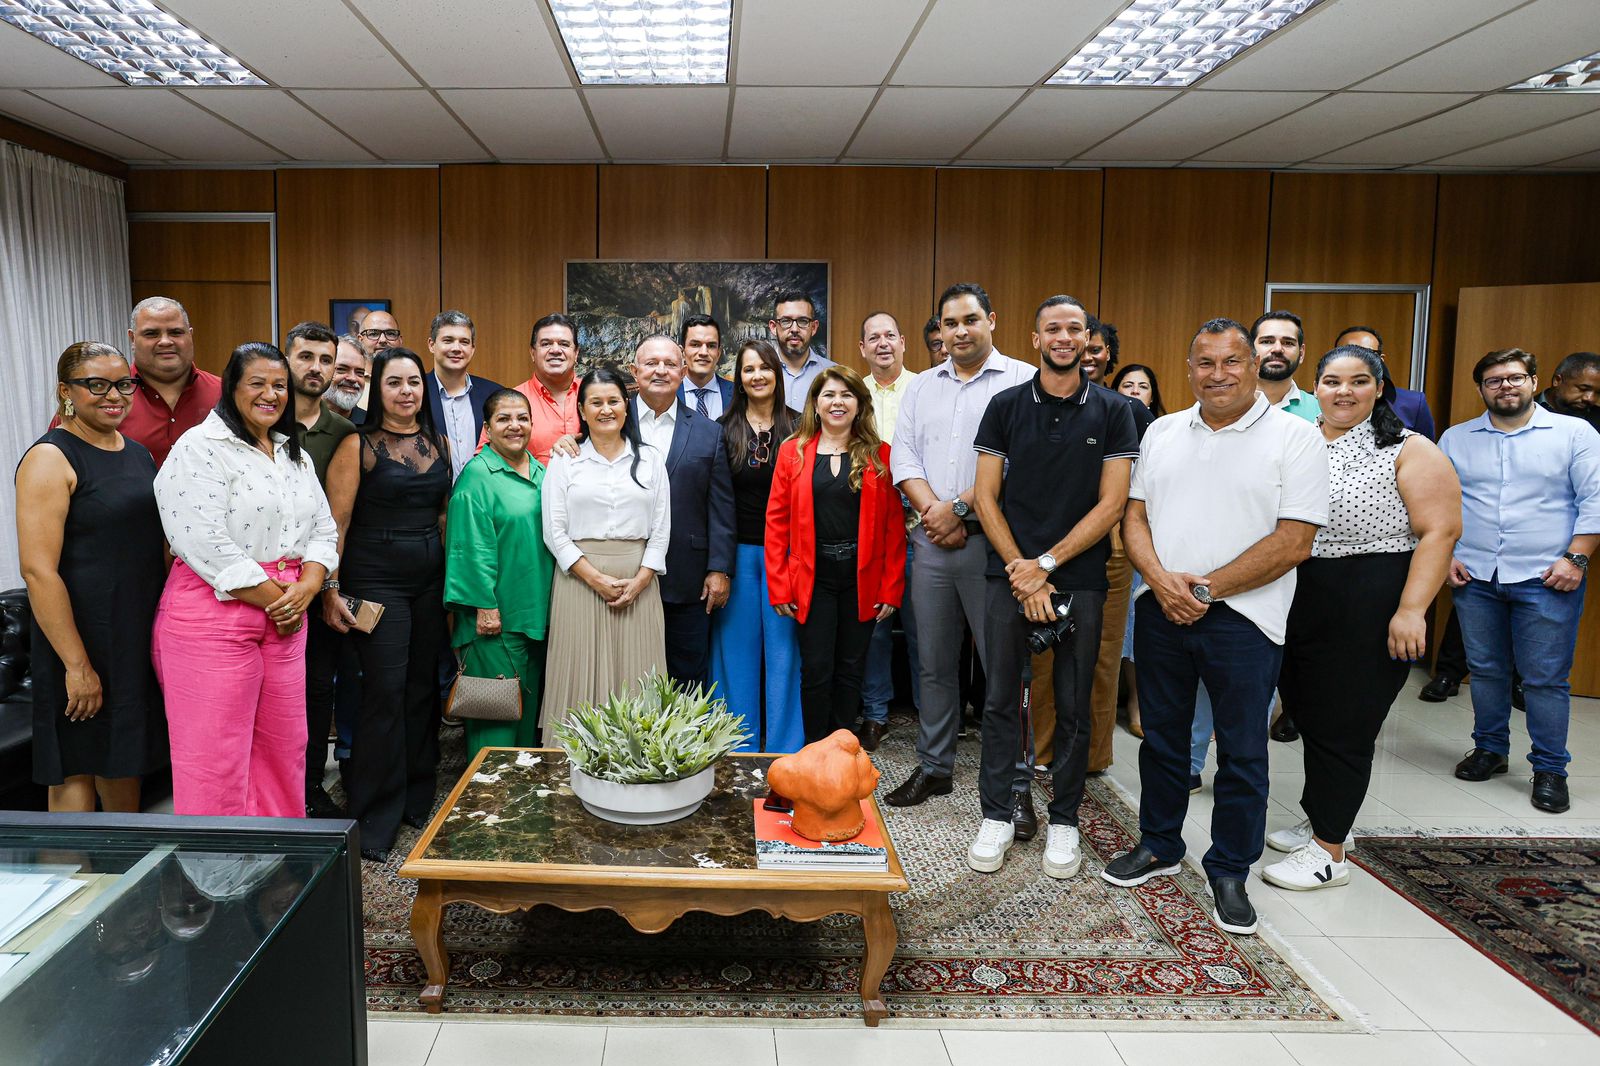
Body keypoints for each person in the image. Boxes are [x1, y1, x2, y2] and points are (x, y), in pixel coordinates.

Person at [1103, 318, 1328, 937]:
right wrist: (1164, 583)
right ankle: (1159, 844)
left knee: (1242, 750)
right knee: (1165, 739)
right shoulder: (1165, 432)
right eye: (1205, 363)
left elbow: (1295, 540)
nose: (1219, 374)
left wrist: (1205, 589)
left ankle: (1229, 867)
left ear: (1254, 365)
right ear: (1190, 368)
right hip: (1162, 609)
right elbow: (1135, 517)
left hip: (1246, 620)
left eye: (1232, 361)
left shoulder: (1296, 438)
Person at [1264, 345, 1460, 890]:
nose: (1343, 391)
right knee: (1308, 710)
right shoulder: (1298, 439)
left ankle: (1329, 852)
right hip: (1303, 589)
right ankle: (1327, 816)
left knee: (1346, 721)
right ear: (1316, 387)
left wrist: (1412, 609)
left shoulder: (1409, 448)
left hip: (1373, 591)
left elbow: (1440, 532)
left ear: (1379, 388)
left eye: (1357, 381)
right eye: (1331, 381)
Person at [967, 295, 1139, 877]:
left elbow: (1113, 502)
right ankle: (996, 813)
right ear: (1035, 338)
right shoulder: (1005, 405)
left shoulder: (1115, 410)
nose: (1064, 337)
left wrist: (1046, 563)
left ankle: (1063, 821)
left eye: (1075, 329)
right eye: (1052, 329)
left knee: (1074, 704)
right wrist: (1023, 569)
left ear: (1089, 340)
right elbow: (985, 496)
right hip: (1008, 574)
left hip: (1081, 577)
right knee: (998, 702)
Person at [152, 343, 338, 818]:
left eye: (279, 385)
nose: (270, 394)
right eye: (257, 383)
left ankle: (281, 863)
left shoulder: (291, 453)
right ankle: (218, 884)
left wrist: (310, 586)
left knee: (285, 747)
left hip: (285, 616)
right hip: (214, 615)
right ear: (232, 387)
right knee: (215, 759)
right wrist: (285, 599)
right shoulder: (198, 448)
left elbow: (323, 528)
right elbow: (202, 542)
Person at [885, 283, 1032, 810]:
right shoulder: (922, 385)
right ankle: (934, 767)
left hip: (993, 547)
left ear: (992, 319)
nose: (960, 331)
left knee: (1002, 665)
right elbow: (904, 458)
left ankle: (1015, 782)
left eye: (970, 320)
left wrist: (960, 510)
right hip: (931, 543)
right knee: (934, 662)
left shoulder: (1022, 380)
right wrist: (933, 513)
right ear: (939, 332)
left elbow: (1019, 460)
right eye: (950, 324)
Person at [1442, 348, 1600, 815]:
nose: (1505, 387)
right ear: (1482, 389)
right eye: (1494, 380)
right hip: (1475, 574)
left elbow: (1594, 499)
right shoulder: (1457, 438)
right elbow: (1439, 503)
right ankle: (1490, 750)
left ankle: (1550, 769)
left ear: (1535, 382)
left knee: (1545, 679)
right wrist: (1447, 555)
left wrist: (1577, 558)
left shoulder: (1575, 433)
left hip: (1548, 576)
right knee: (1486, 670)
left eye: (1514, 378)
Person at [17, 342, 166, 813]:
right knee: (76, 765)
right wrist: (77, 666)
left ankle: (123, 879)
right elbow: (38, 571)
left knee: (124, 761)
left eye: (123, 384)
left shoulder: (139, 454)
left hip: (131, 633)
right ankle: (71, 885)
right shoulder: (51, 457)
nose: (114, 396)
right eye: (96, 385)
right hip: (78, 637)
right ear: (66, 391)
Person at [322, 348, 451, 861]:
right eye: (394, 382)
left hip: (429, 579)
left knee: (422, 690)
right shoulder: (358, 443)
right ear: (378, 390)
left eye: (414, 382)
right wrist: (330, 588)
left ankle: (418, 794)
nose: (406, 391)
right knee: (384, 692)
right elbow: (337, 522)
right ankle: (375, 810)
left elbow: (443, 516)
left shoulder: (438, 442)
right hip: (376, 580)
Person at [767, 367, 906, 744]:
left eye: (847, 395)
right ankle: (814, 753)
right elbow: (776, 523)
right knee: (815, 670)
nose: (837, 402)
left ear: (860, 404)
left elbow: (894, 529)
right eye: (829, 394)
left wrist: (891, 589)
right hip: (812, 579)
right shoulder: (792, 452)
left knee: (851, 669)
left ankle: (841, 752)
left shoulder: (881, 455)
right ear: (816, 403)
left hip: (862, 578)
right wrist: (779, 587)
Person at [540, 366, 670, 743]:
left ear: (626, 407)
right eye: (595, 402)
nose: (605, 409)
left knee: (637, 680)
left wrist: (642, 579)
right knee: (579, 678)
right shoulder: (566, 459)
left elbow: (661, 530)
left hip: (638, 583)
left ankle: (640, 776)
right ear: (582, 410)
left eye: (613, 401)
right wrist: (595, 579)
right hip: (579, 582)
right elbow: (554, 531)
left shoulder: (650, 459)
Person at [444, 389, 554, 755]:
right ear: (487, 428)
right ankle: (484, 809)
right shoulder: (477, 477)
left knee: (527, 724)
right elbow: (467, 547)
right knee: (495, 728)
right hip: (494, 620)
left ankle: (521, 809)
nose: (515, 425)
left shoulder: (542, 472)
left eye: (522, 417)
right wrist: (483, 606)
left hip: (536, 618)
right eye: (504, 419)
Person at [710, 340, 803, 752]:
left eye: (765, 367)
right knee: (735, 656)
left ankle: (785, 747)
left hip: (788, 556)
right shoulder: (720, 428)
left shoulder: (802, 428)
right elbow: (715, 500)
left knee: (785, 654)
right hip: (739, 555)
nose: (758, 375)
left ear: (777, 374)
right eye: (748, 370)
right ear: (739, 380)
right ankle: (737, 746)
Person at [630, 336, 736, 689]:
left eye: (669, 364)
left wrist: (719, 568)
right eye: (650, 363)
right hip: (622, 571)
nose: (660, 370)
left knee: (688, 675)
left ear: (683, 371)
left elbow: (720, 507)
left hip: (687, 576)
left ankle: (685, 746)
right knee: (629, 672)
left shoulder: (709, 432)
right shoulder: (611, 420)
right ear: (635, 371)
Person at [283, 320, 357, 819]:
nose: (316, 368)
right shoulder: (256, 419)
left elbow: (338, 519)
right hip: (258, 584)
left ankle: (309, 788)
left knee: (314, 690)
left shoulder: (341, 431)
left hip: (315, 582)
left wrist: (329, 587)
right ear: (286, 359)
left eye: (325, 360)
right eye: (306, 357)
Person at [48, 297, 222, 468]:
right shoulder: (96, 399)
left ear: (190, 335)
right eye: (151, 333)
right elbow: (56, 467)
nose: (165, 341)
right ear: (132, 338)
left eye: (176, 332)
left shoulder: (225, 394)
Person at [858, 311, 920, 750]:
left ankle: (933, 719)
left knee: (927, 629)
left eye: (889, 336)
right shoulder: (850, 393)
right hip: (871, 528)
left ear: (903, 343)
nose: (882, 343)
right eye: (873, 338)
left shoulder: (926, 388)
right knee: (875, 627)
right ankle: (876, 714)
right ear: (862, 348)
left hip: (923, 525)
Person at [1112, 363, 1166, 740]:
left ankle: (1143, 701)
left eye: (1142, 386)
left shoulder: (1165, 433)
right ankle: (1129, 700)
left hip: (1151, 535)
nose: (1134, 392)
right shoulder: (1107, 423)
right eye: (1126, 385)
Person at [425, 310, 502, 482]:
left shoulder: (495, 395)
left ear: (472, 349)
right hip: (433, 503)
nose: (456, 348)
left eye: (464, 342)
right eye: (448, 340)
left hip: (483, 499)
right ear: (431, 344)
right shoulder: (415, 393)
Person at [504, 313, 583, 465]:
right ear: (532, 353)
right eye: (546, 344)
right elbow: (487, 460)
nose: (555, 350)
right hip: (531, 487)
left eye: (564, 344)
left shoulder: (595, 395)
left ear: (576, 353)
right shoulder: (510, 401)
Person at [1333, 326, 1436, 439]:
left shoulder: (1413, 403)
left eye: (1367, 353)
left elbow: (1425, 452)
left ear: (1381, 359)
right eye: (1346, 352)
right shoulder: (1322, 397)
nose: (1356, 359)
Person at [769, 290, 835, 412]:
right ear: (773, 327)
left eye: (803, 321)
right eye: (786, 321)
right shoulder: (761, 375)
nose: (794, 329)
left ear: (814, 327)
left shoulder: (833, 374)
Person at [1252, 310, 1319, 422]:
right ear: (1250, 350)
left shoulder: (1322, 410)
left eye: (1288, 343)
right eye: (1267, 341)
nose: (1277, 349)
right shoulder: (1226, 406)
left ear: (1301, 353)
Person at [679, 313, 733, 419]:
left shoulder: (738, 394)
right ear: (682, 352)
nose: (703, 352)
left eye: (711, 346)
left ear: (718, 353)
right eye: (695, 345)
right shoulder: (668, 393)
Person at [1536, 350, 1600, 434]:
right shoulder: (1523, 411)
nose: (1590, 398)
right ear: (1557, 381)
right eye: (1583, 389)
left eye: (1598, 393)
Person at [328, 333, 370, 419]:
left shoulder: (373, 427)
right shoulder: (299, 421)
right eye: (342, 369)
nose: (353, 378)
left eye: (359, 373)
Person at [1080, 317, 1117, 384]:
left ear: (1108, 353)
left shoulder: (1117, 395)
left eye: (1095, 350)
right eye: (1080, 351)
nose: (1086, 358)